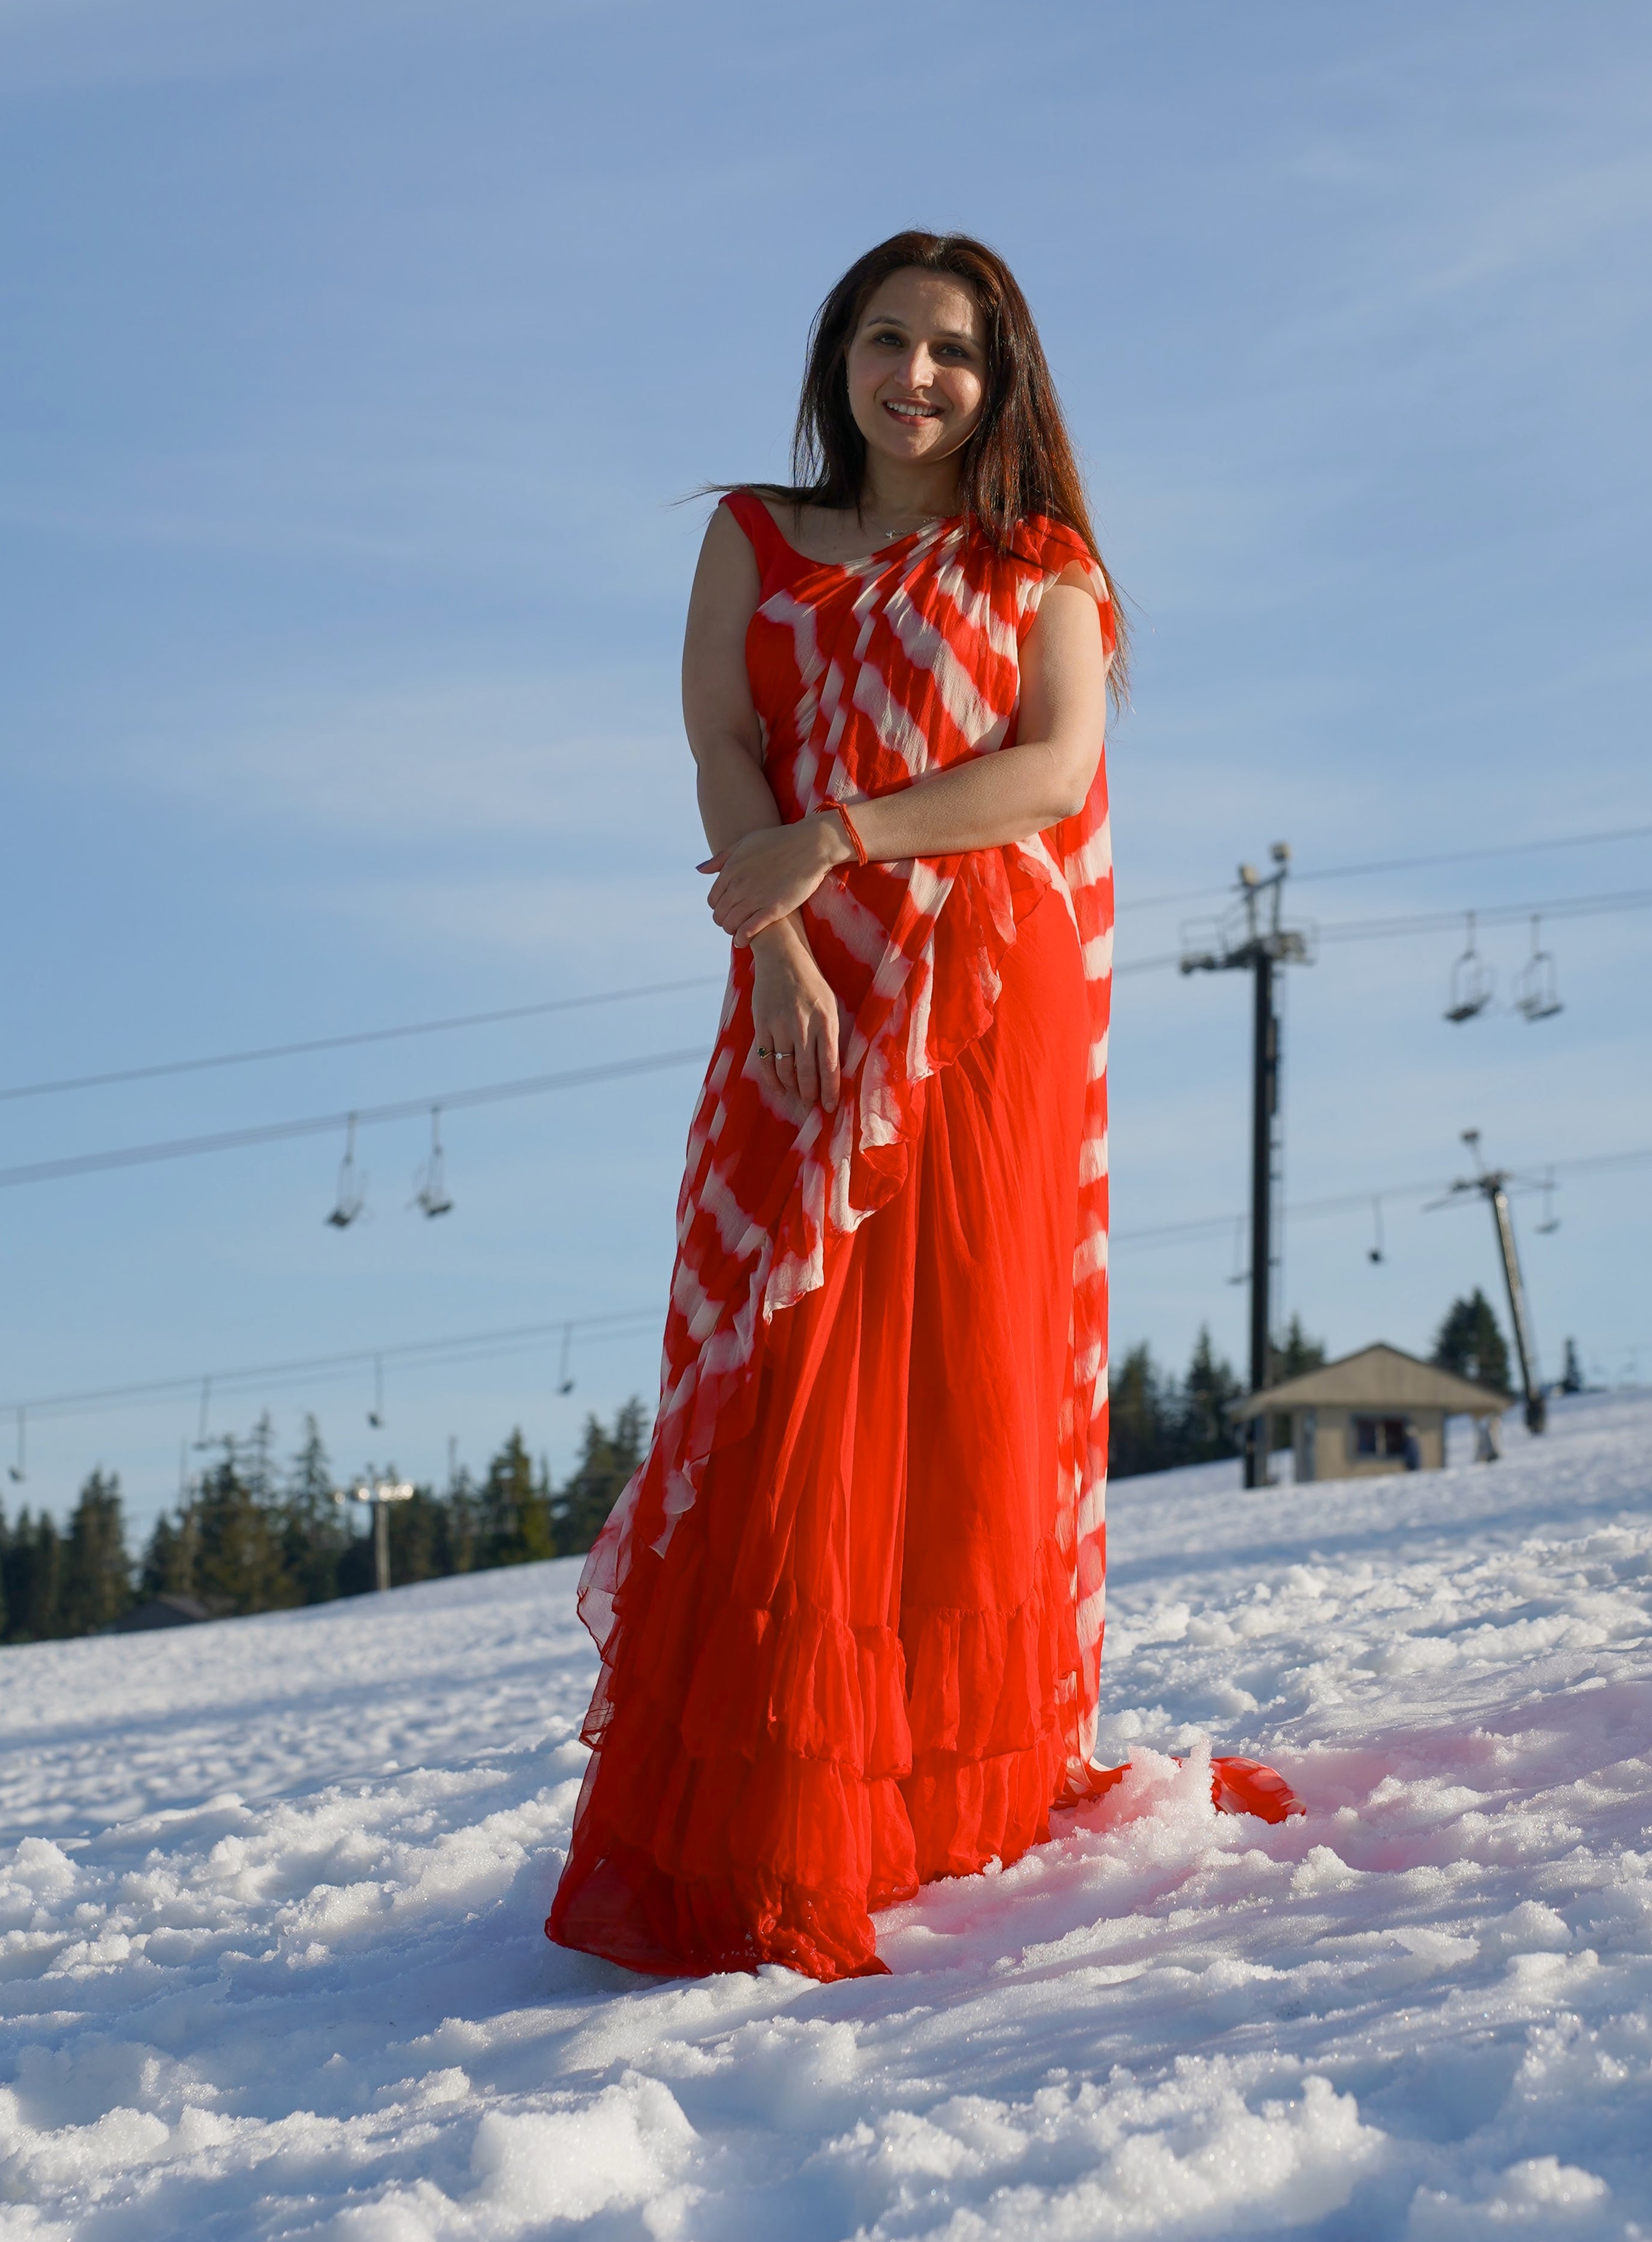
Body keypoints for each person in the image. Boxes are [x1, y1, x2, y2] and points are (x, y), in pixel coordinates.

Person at [546, 231, 1291, 1985]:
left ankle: (923, 1803)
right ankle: (771, 1806)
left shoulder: (1040, 566)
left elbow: (1051, 770)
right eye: (886, 341)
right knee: (793, 1368)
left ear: (997, 378)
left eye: (952, 352)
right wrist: (785, 931)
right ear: (838, 360)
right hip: (803, 988)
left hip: (983, 1011)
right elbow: (725, 744)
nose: (916, 378)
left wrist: (848, 835)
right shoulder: (751, 540)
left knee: (948, 1376)